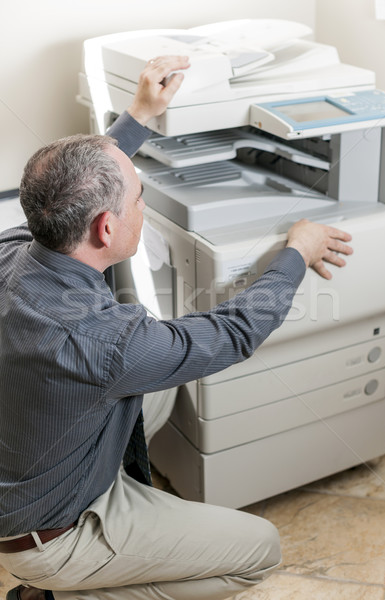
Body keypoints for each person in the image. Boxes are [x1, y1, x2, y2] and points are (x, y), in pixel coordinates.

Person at [0, 55, 353, 600]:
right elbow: (234, 333)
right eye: (141, 198)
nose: (146, 205)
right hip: (53, 536)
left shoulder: (19, 247)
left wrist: (138, 115)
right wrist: (297, 254)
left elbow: (67, 196)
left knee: (158, 394)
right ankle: (61, 593)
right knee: (260, 549)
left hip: (28, 466)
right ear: (106, 226)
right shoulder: (106, 342)